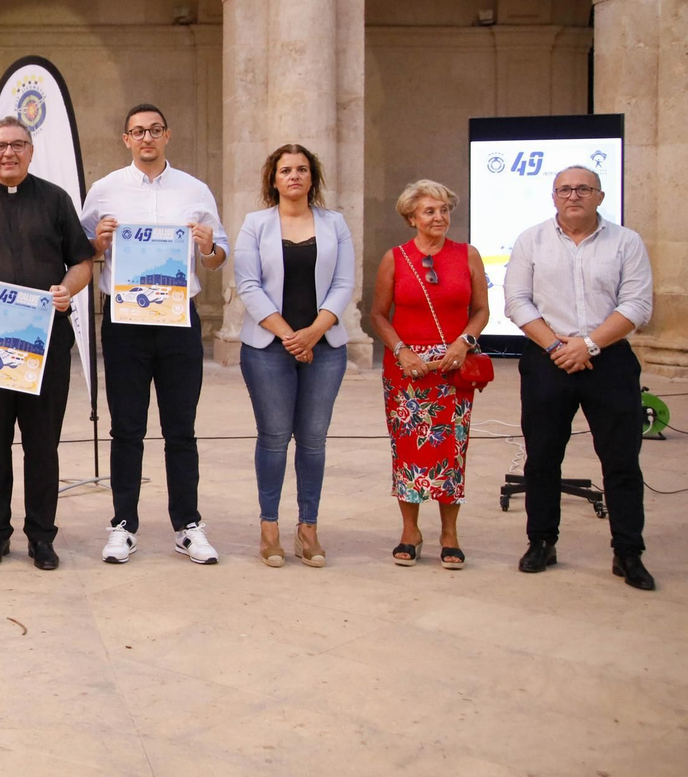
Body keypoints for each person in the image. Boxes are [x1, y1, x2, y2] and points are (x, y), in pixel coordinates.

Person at [0, 117, 95, 571]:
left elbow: (83, 262)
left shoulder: (56, 200)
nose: (8, 153)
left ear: (30, 150)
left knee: (42, 445)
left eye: (17, 145)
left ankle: (42, 537)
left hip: (45, 343)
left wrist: (67, 289)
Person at [80, 103, 229, 566]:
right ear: (126, 139)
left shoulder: (194, 189)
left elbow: (218, 256)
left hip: (178, 321)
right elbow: (81, 250)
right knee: (126, 428)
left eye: (155, 130)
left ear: (167, 135)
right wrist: (98, 242)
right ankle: (123, 525)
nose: (147, 138)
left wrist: (208, 247)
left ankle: (188, 525)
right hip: (125, 323)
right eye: (138, 131)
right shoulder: (105, 190)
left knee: (181, 428)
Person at [504, 165, 655, 590]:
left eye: (584, 189)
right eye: (565, 189)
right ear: (553, 197)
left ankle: (628, 552)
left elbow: (637, 304)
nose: (574, 196)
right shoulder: (531, 240)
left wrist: (587, 345)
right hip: (547, 358)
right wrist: (557, 346)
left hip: (609, 360)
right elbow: (517, 301)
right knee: (542, 457)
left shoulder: (626, 242)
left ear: (600, 196)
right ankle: (541, 542)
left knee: (621, 460)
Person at [232, 143, 353, 568]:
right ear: (274, 179)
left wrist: (314, 332)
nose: (294, 176)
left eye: (302, 169)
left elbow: (343, 283)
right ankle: (269, 526)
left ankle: (308, 527)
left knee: (314, 440)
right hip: (268, 348)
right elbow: (248, 285)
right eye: (286, 170)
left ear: (312, 177)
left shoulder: (335, 223)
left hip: (326, 347)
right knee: (274, 437)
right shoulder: (255, 224)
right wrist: (289, 336)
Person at [369, 180, 489, 569]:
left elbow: (481, 310)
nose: (439, 217)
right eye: (429, 211)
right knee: (408, 451)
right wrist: (401, 351)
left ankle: (449, 533)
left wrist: (464, 343)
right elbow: (378, 314)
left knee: (452, 451)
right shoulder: (395, 258)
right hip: (407, 371)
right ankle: (410, 531)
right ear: (411, 218)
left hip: (453, 368)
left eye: (444, 210)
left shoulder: (468, 255)